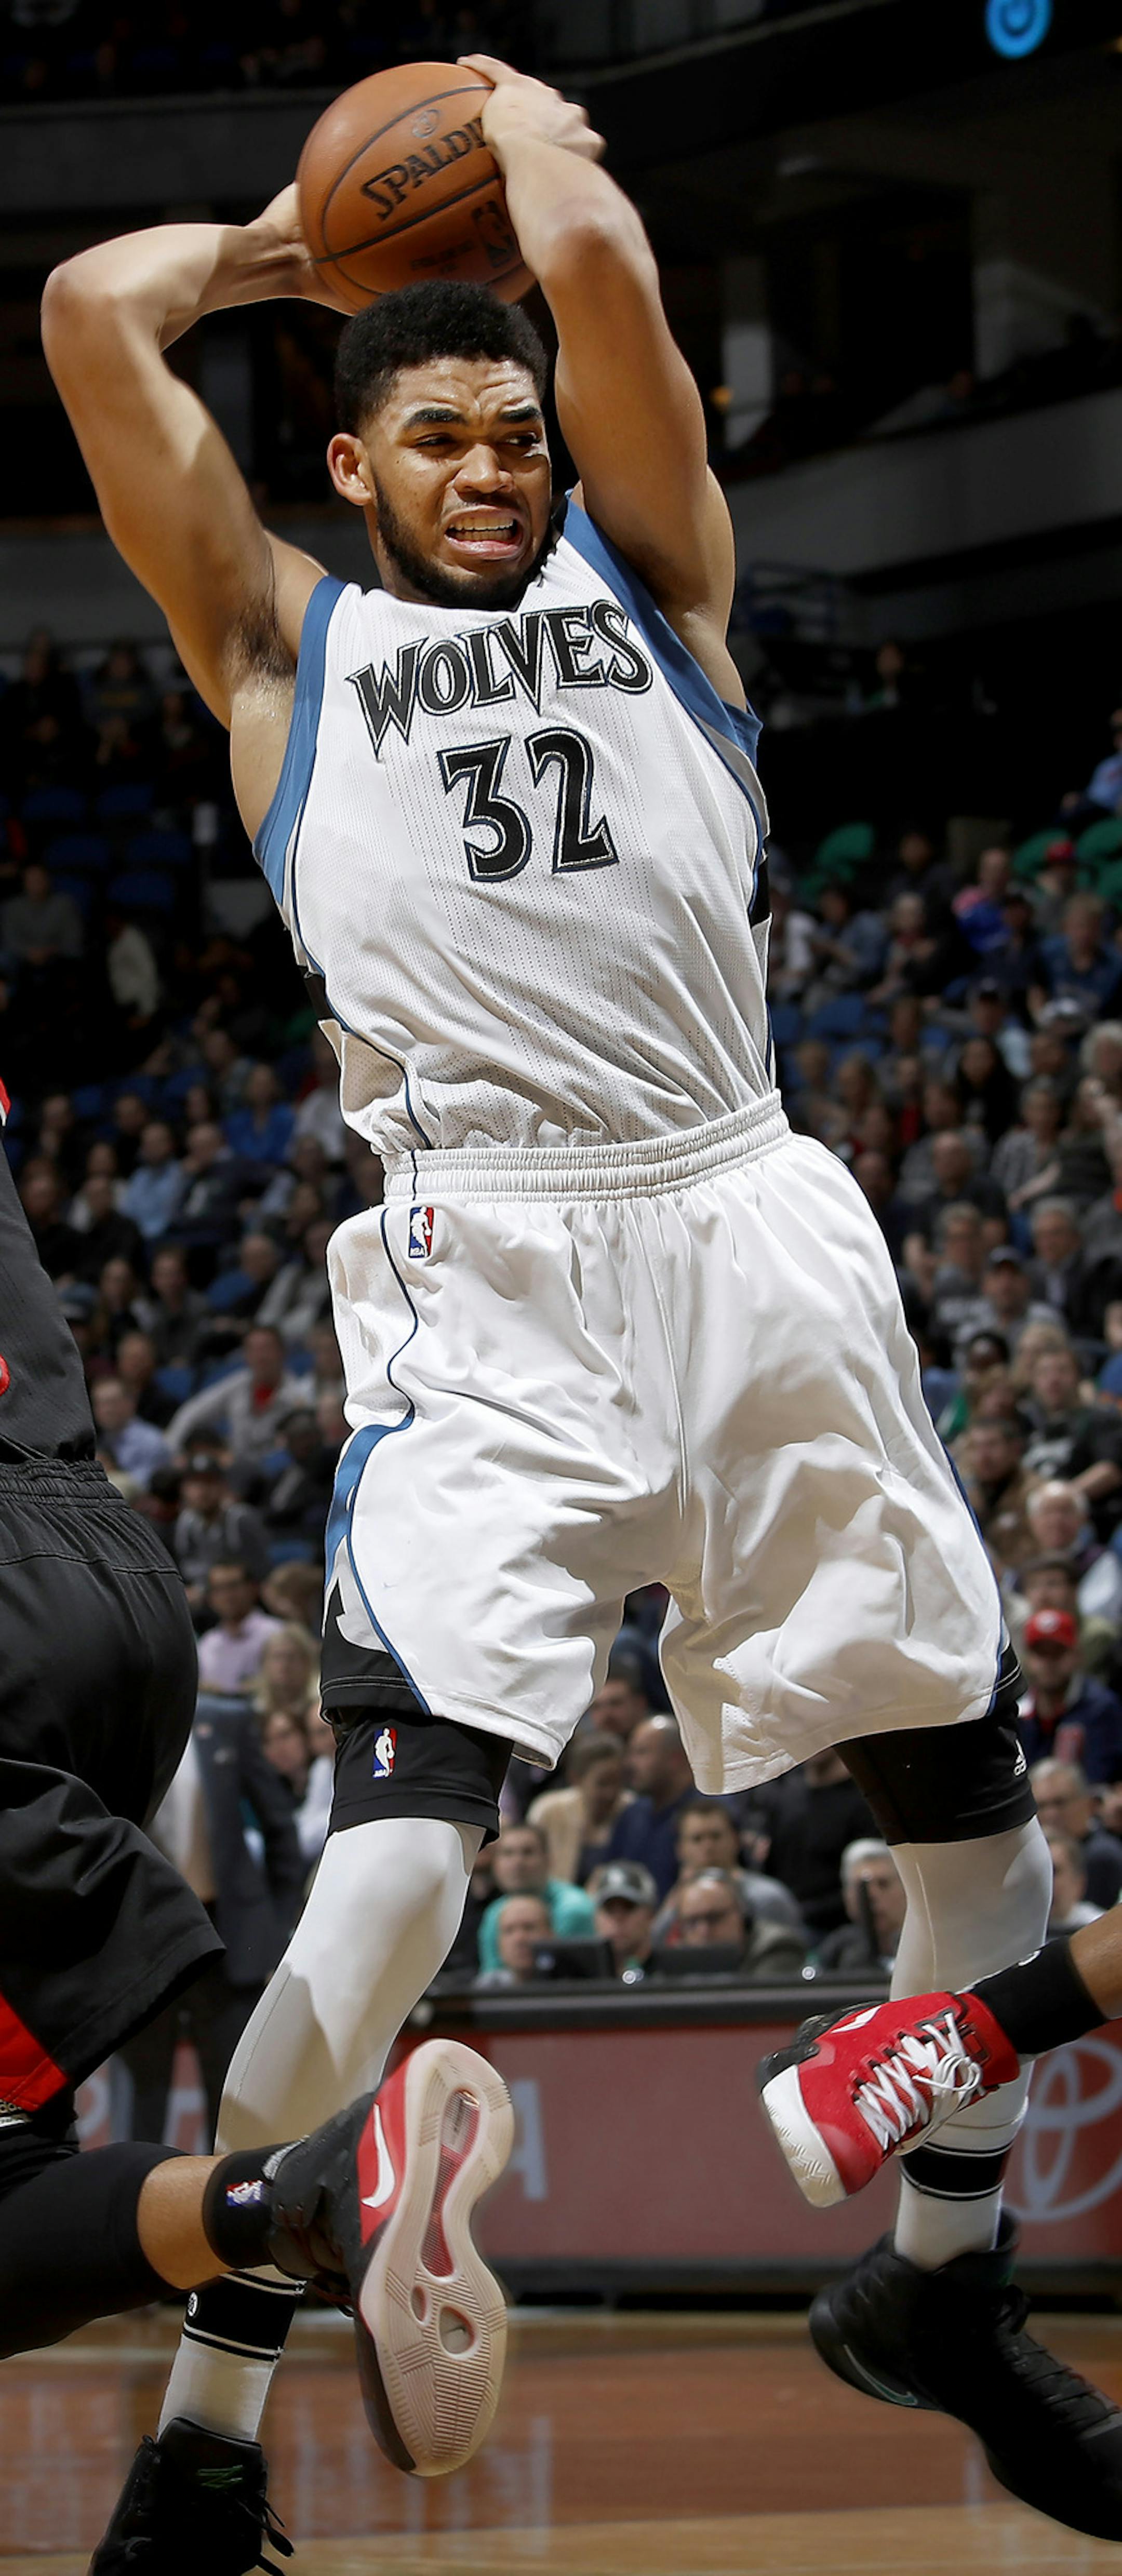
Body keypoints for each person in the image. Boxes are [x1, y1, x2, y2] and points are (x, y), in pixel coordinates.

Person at [43, 48, 1094, 2551]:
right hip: (483, 1271)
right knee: (400, 1876)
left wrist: (513, 163)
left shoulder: (667, 584)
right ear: (353, 470)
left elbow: (603, 272)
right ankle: (210, 2435)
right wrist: (330, 249)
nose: (497, 466)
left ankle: (943, 2271)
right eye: (443, 440)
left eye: (517, 432)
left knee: (963, 1805)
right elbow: (99, 305)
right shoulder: (278, 658)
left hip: (747, 1222)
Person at [604, 1716, 698, 1902]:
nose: (630, 1764)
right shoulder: (631, 1815)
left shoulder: (705, 1815)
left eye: (641, 1753)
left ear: (675, 1759)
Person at [527, 1728, 632, 1885]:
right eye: (602, 1783)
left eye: (618, 1782)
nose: (611, 1793)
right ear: (576, 1778)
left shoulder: (633, 1810)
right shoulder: (549, 1811)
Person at [675, 1870, 806, 1979]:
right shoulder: (676, 1959)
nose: (704, 1931)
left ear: (742, 1914)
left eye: (714, 1918)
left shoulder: (778, 1947)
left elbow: (757, 2005)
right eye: (693, 1922)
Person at [1030, 1756, 1122, 1907]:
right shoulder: (1031, 1856)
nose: (1051, 1815)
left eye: (1060, 1803)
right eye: (1041, 1806)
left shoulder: (1103, 1856)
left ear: (1087, 1803)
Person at [816, 1839, 907, 1973]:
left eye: (883, 1884)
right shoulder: (838, 1951)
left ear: (907, 1891)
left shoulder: (928, 1948)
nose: (871, 1895)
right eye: (861, 1888)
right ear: (847, 1896)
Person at [196, 1560, 280, 1695]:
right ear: (210, 1598)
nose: (227, 1596)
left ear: (253, 1589)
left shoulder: (275, 1633)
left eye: (233, 1586)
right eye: (219, 1589)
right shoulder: (208, 1643)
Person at [592, 1858, 658, 1980]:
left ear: (650, 1915)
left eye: (628, 1907)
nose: (618, 1918)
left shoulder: (670, 1975)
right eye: (609, 1909)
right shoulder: (583, 1978)